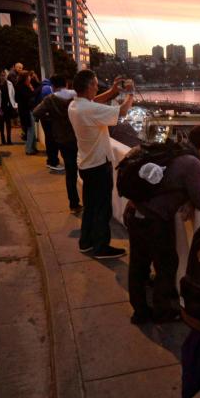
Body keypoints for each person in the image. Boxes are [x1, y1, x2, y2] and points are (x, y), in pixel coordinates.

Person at [125, 123, 200, 325]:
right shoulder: (193, 164)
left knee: (138, 264)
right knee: (167, 265)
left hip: (134, 212)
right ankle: (163, 312)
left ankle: (139, 312)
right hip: (153, 220)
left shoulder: (176, 153)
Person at [68, 69, 133, 259]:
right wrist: (130, 94)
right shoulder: (88, 109)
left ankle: (86, 242)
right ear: (88, 86)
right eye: (96, 84)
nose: (97, 87)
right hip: (98, 165)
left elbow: (93, 102)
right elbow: (122, 111)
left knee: (90, 206)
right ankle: (101, 246)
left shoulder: (75, 105)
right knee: (103, 208)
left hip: (86, 163)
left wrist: (113, 92)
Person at [33, 75, 82, 211]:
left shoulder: (50, 99)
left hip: (62, 139)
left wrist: (51, 117)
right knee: (85, 168)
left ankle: (74, 203)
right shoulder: (75, 96)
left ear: (53, 86)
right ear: (66, 83)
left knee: (70, 171)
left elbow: (36, 113)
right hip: (79, 136)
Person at [15, 70, 39, 155]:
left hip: (25, 110)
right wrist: (34, 91)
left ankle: (33, 147)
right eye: (28, 76)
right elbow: (30, 96)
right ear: (25, 77)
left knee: (31, 130)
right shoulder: (22, 87)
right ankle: (29, 149)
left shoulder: (20, 86)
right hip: (27, 111)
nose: (30, 78)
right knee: (31, 130)